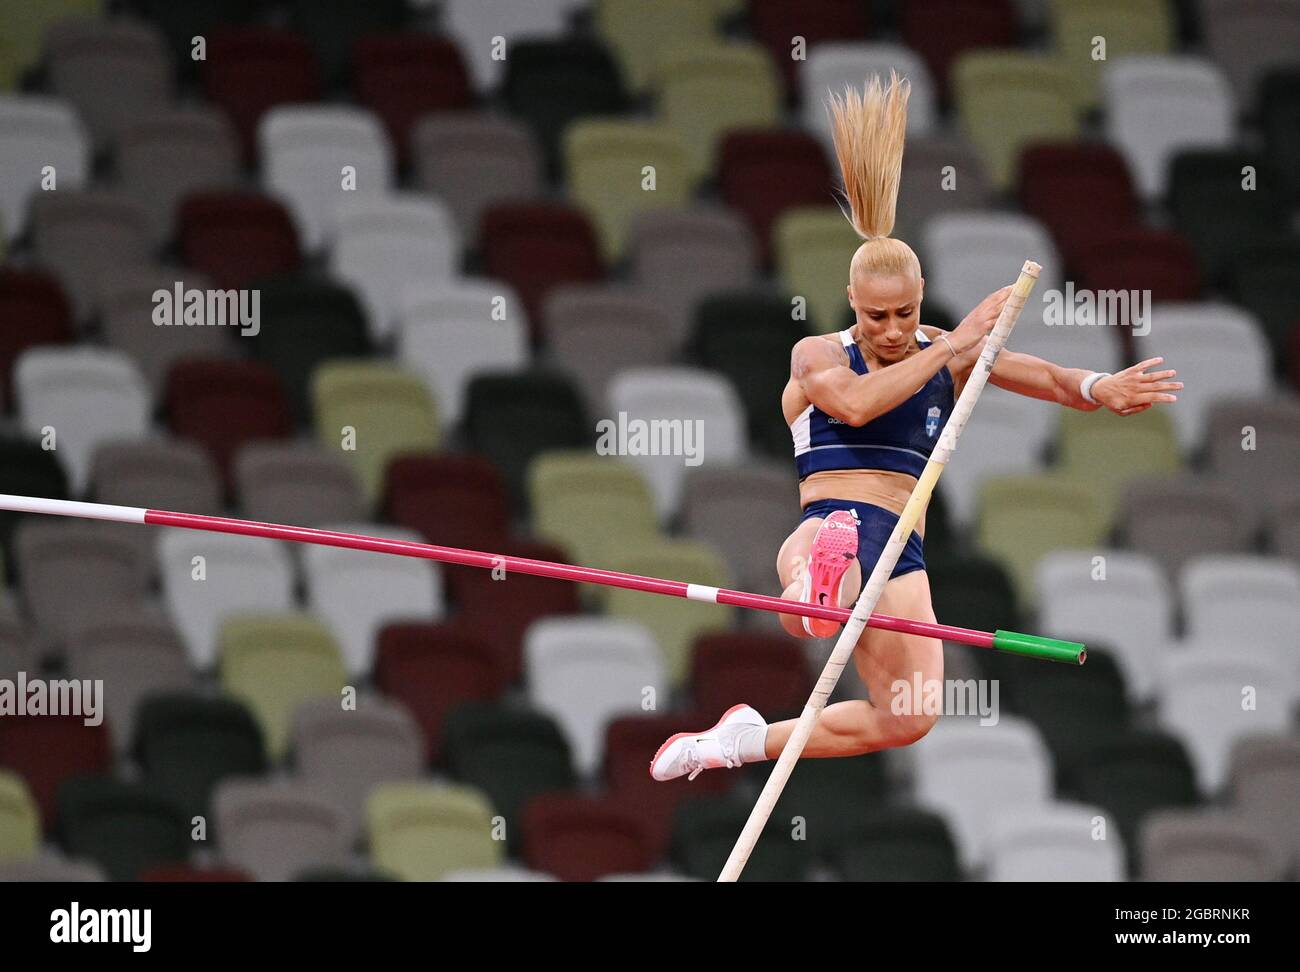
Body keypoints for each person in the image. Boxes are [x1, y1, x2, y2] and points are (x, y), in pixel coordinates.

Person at [651, 72, 1180, 782]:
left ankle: (738, 742)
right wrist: (956, 347)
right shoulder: (817, 356)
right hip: (833, 512)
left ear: (920, 296)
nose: (894, 329)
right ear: (850, 302)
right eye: (876, 316)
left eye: (905, 313)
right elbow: (859, 406)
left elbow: (1049, 381)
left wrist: (1100, 386)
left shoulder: (944, 349)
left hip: (903, 548)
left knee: (909, 716)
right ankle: (821, 587)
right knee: (810, 607)